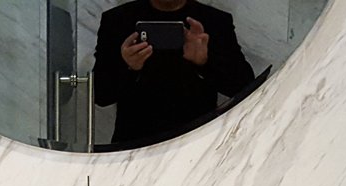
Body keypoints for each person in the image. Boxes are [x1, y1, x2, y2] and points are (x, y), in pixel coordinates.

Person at [92, 0, 256, 148]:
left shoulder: (214, 21)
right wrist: (128, 66)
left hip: (199, 142)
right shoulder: (118, 21)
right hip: (134, 143)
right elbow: (101, 95)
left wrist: (205, 62)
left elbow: (245, 87)